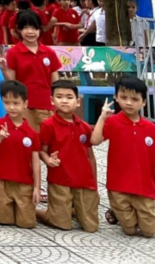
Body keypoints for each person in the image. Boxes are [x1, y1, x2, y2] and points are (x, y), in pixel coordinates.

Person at [92, 75, 155, 238]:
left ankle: (120, 211)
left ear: (144, 102)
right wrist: (102, 117)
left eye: (135, 99)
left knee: (149, 231)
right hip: (118, 184)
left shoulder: (150, 128)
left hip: (143, 186)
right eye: (124, 97)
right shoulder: (113, 122)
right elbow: (95, 140)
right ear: (116, 97)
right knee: (130, 230)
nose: (129, 102)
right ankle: (118, 211)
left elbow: (152, 155)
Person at [37, 79, 98, 232]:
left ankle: (71, 209)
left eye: (69, 97)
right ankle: (41, 212)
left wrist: (95, 183)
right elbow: (41, 150)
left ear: (78, 102)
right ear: (52, 100)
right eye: (59, 97)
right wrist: (48, 160)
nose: (64, 101)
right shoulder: (48, 125)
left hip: (84, 180)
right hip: (60, 180)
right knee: (62, 225)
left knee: (91, 226)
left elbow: (90, 156)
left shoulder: (84, 127)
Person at [0, 80, 40, 228]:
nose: (11, 107)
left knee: (27, 223)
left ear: (25, 104)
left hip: (24, 183)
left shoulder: (32, 133)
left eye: (16, 103)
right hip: (1, 182)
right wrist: (0, 137)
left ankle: (42, 213)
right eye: (7, 103)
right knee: (5, 221)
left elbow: (36, 161)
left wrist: (37, 187)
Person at [0, 10, 60, 131]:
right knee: (28, 137)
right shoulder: (13, 53)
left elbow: (55, 81)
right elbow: (13, 83)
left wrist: (57, 100)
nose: (30, 32)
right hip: (25, 105)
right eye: (26, 28)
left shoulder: (49, 52)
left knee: (47, 137)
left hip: (46, 104)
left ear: (39, 29)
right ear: (19, 30)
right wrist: (4, 70)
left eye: (34, 28)